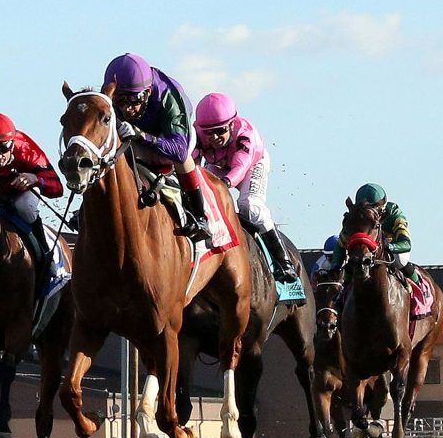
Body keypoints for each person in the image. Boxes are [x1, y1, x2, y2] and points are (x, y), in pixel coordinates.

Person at [0, 112, 69, 305]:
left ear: (12, 142)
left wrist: (36, 179)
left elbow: (58, 188)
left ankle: (45, 256)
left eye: (3, 148)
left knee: (25, 207)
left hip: (20, 192)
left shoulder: (28, 151)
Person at [194, 93, 299, 285]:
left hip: (252, 164)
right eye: (209, 133)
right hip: (220, 165)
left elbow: (239, 168)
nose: (215, 138)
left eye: (220, 131)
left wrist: (224, 184)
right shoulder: (198, 136)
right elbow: (192, 166)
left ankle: (284, 261)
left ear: (232, 124)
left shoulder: (244, 135)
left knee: (249, 205)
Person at [104, 53, 210, 240]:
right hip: (136, 138)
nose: (127, 108)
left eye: (134, 100)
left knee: (183, 159)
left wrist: (142, 136)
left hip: (173, 139)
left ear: (148, 92)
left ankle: (200, 216)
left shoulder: (168, 96)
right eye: (120, 101)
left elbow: (178, 149)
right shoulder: (109, 98)